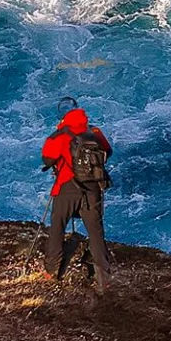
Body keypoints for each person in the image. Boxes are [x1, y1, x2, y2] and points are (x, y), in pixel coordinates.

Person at [41, 104, 112, 283]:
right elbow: (107, 151)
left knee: (58, 225)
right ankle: (104, 275)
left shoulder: (60, 134)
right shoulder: (94, 131)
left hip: (66, 187)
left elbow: (47, 158)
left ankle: (51, 269)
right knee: (95, 231)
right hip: (93, 189)